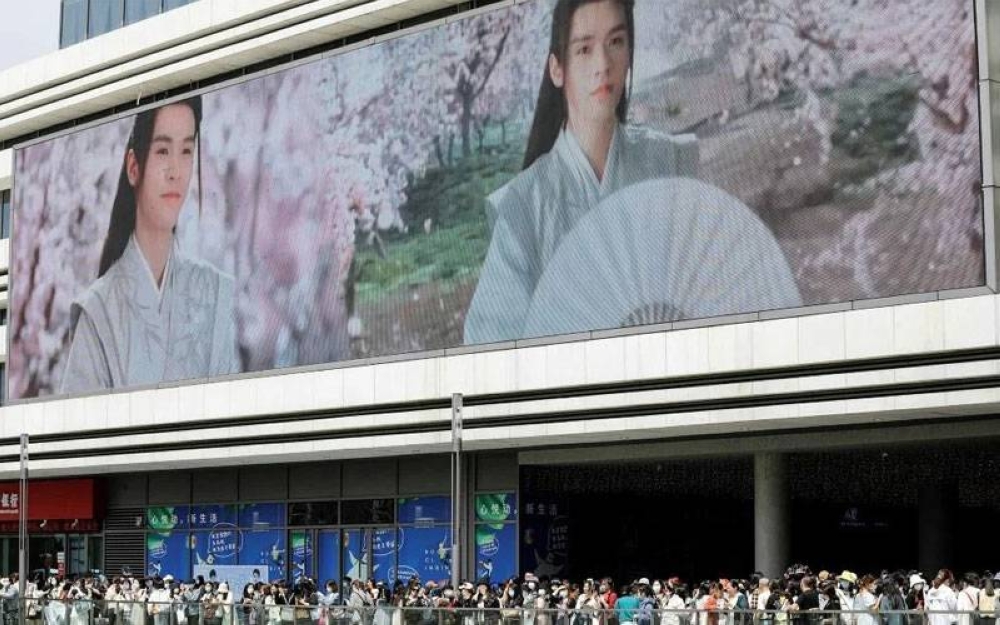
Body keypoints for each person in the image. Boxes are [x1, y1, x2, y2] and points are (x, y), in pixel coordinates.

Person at [463, 0, 800, 345]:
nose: (603, 65)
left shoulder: (670, 160)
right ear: (557, 69)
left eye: (616, 43)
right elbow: (492, 348)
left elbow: (713, 283)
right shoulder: (522, 206)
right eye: (584, 49)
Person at [60, 96, 238, 394]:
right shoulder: (98, 310)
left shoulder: (216, 293)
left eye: (186, 151)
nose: (176, 171)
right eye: (163, 150)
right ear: (134, 166)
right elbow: (77, 434)